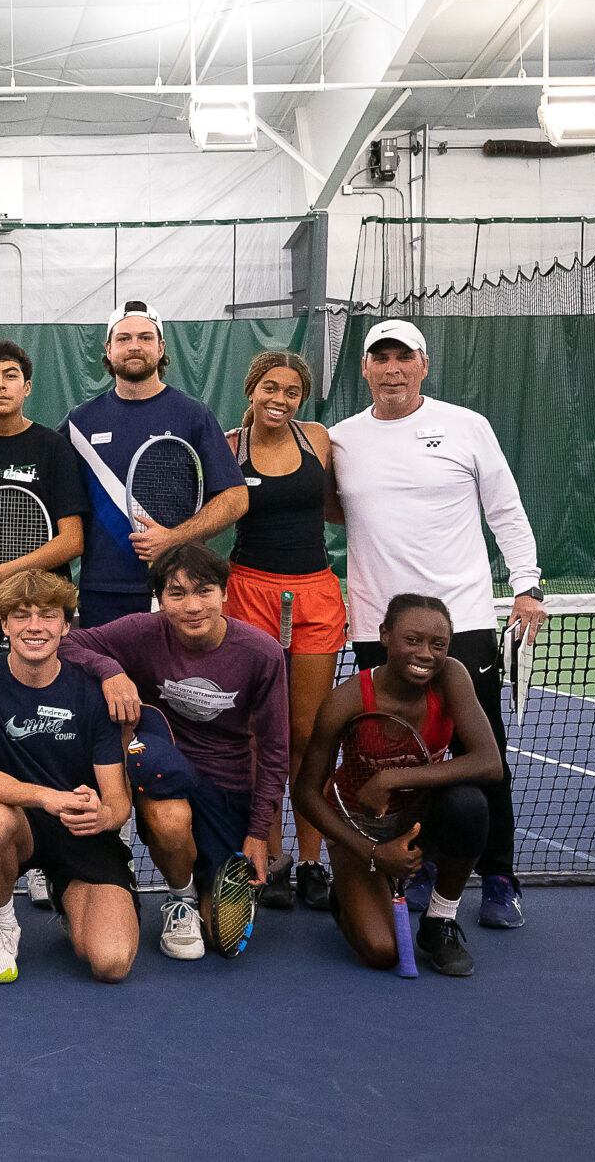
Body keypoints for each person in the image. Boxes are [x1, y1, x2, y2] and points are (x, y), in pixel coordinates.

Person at [328, 319, 545, 930]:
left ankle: (499, 875)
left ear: (424, 365)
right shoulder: (342, 441)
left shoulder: (466, 426)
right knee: (394, 753)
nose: (392, 368)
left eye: (404, 357)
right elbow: (332, 506)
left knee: (484, 748)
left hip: (464, 621)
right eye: (380, 358)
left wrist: (525, 586)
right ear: (365, 369)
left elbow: (505, 508)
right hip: (376, 625)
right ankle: (419, 862)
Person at [61, 543, 287, 961]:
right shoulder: (142, 631)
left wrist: (258, 833)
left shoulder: (263, 653)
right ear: (160, 599)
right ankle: (180, 898)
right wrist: (111, 670)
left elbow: (274, 751)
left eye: (203, 591)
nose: (192, 606)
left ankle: (211, 882)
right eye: (176, 594)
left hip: (227, 787)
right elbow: (69, 643)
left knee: (222, 940)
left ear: (224, 592)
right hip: (168, 773)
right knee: (168, 816)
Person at [295, 594, 502, 977]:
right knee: (381, 953)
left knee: (469, 805)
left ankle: (440, 919)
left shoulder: (452, 677)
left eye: (438, 644)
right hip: (360, 827)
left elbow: (489, 763)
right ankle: (349, 893)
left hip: (418, 819)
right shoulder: (346, 700)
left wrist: (394, 777)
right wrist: (373, 853)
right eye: (413, 640)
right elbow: (306, 793)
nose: (426, 653)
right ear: (385, 636)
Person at [0, 570, 137, 984]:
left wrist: (104, 818)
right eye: (20, 615)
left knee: (111, 963)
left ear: (66, 626)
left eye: (48, 615)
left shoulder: (94, 691)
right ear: (4, 625)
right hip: (19, 824)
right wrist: (49, 798)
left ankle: (66, 891)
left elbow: (118, 800)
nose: (34, 626)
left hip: (80, 833)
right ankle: (1, 924)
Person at [219, 350, 347, 913]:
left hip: (317, 593)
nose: (280, 398)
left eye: (292, 391)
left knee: (308, 732)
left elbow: (340, 507)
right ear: (251, 388)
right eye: (270, 386)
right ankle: (267, 858)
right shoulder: (227, 448)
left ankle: (314, 861)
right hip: (247, 593)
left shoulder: (318, 439)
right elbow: (204, 516)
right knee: (256, 733)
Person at [59, 302, 249, 627]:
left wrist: (174, 537)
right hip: (102, 592)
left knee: (175, 681)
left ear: (161, 348)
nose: (135, 346)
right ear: (108, 348)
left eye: (146, 338)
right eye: (124, 338)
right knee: (109, 679)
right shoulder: (79, 423)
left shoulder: (194, 416)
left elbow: (235, 499)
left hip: (177, 589)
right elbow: (36, 463)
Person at [0, 341, 88, 665]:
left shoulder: (54, 447)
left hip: (40, 604)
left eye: (10, 375)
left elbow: (72, 540)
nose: (0, 384)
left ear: (27, 387)